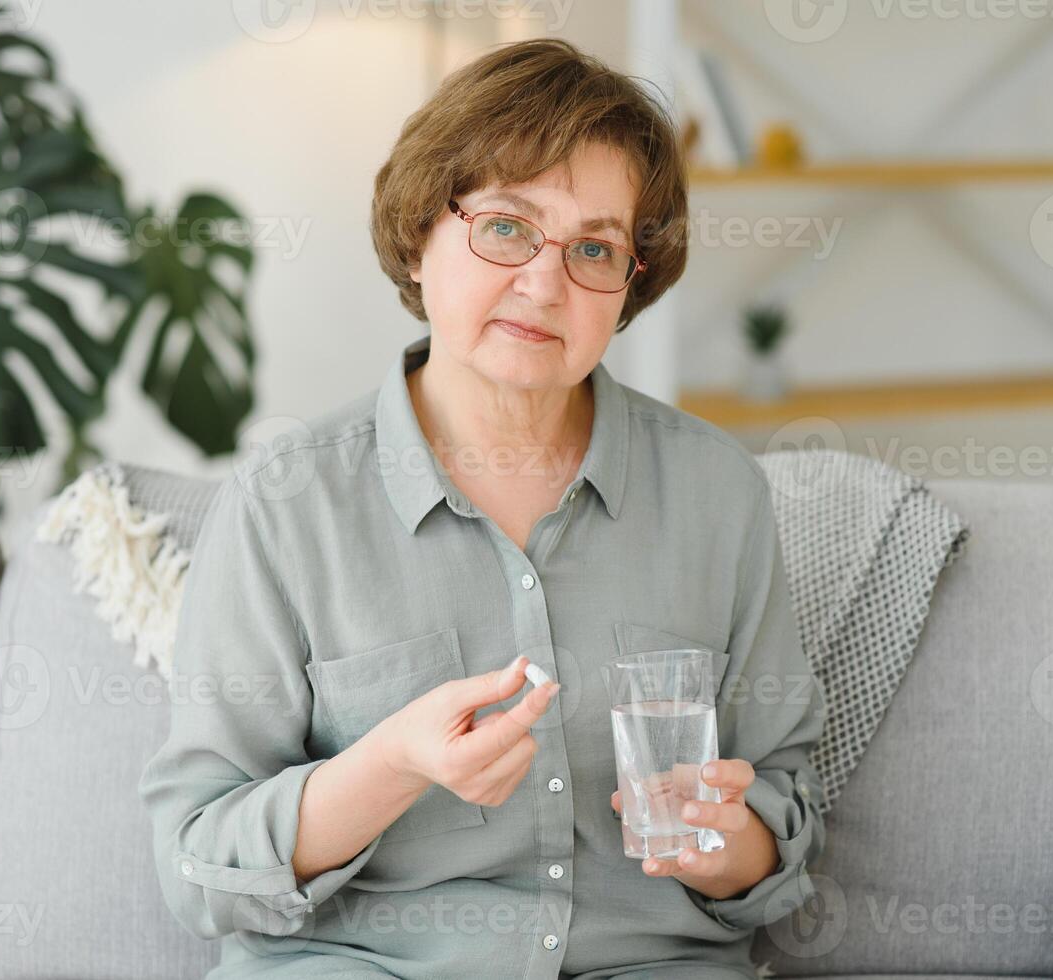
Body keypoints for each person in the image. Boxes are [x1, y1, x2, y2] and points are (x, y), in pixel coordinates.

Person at [139, 37, 827, 979]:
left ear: (631, 286)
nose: (545, 284)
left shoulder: (719, 496)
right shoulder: (282, 505)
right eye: (506, 227)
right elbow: (197, 865)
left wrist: (725, 843)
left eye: (595, 247)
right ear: (422, 236)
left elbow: (783, 824)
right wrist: (388, 768)